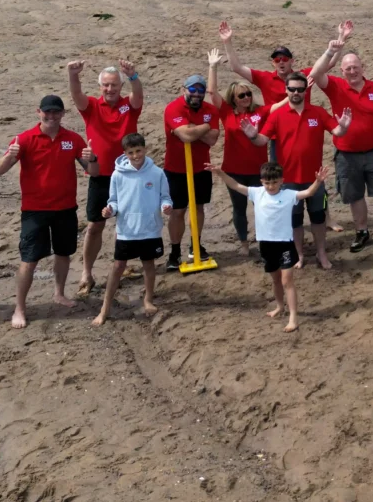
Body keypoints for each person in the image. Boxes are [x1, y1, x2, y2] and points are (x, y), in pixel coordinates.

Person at [0, 95, 91, 329]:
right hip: (34, 210)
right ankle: (20, 308)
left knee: (63, 253)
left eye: (56, 112)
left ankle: (59, 293)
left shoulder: (73, 139)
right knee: (29, 260)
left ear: (63, 113)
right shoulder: (24, 139)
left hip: (66, 207)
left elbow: (92, 171)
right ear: (38, 112)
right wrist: (10, 155)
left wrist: (91, 159)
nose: (52, 116)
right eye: (47, 112)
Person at [308, 23, 373, 253]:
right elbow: (315, 73)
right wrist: (333, 49)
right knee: (354, 195)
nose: (352, 71)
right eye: (348, 68)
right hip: (346, 154)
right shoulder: (335, 87)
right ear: (341, 71)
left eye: (356, 67)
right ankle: (362, 232)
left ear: (363, 67)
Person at [242, 72, 352, 270]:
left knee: (318, 218)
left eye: (300, 89)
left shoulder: (318, 112)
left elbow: (337, 131)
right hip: (288, 181)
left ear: (305, 91)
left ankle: (321, 253)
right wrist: (252, 136)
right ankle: (299, 254)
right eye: (292, 89)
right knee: (295, 221)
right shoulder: (277, 115)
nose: (296, 92)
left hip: (316, 179)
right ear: (286, 90)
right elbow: (262, 140)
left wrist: (343, 127)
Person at [212, 161, 326, 332]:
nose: (271, 186)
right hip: (266, 244)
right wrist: (220, 173)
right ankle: (280, 306)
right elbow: (235, 185)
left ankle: (293, 317)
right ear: (261, 182)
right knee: (275, 279)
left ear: (282, 181)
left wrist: (317, 181)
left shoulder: (289, 195)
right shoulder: (257, 193)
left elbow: (308, 192)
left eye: (274, 182)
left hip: (285, 244)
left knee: (287, 280)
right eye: (267, 183)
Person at [68, 58, 143, 296]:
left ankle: (124, 264)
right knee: (94, 226)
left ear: (120, 87)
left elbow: (138, 96)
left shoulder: (128, 105)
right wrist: (73, 75)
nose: (110, 89)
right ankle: (86, 272)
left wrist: (133, 76)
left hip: (128, 175)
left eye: (114, 85)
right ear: (100, 87)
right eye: (106, 85)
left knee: (129, 224)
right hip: (100, 175)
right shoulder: (91, 106)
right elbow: (76, 94)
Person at [95, 133, 172, 325]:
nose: (136, 155)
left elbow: (165, 197)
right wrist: (110, 210)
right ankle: (105, 308)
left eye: (139, 151)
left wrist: (165, 207)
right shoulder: (117, 174)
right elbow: (113, 201)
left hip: (150, 228)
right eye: (131, 152)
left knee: (148, 265)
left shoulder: (157, 173)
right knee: (118, 266)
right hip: (127, 230)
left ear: (145, 149)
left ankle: (148, 300)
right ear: (125, 153)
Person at [162, 51, 223, 269]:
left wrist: (193, 128)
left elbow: (213, 139)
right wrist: (202, 129)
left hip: (201, 168)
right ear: (183, 90)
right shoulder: (173, 108)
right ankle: (174, 252)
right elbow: (187, 136)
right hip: (176, 169)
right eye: (192, 90)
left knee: (198, 208)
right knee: (178, 211)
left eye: (200, 91)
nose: (196, 95)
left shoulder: (210, 110)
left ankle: (195, 246)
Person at [219, 79, 271, 257]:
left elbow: (280, 105)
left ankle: (265, 241)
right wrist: (213, 67)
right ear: (233, 99)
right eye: (242, 95)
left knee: (262, 207)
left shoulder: (259, 111)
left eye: (249, 93)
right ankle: (244, 243)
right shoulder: (226, 113)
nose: (247, 97)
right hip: (234, 170)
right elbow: (212, 92)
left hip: (258, 170)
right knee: (239, 208)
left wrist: (297, 88)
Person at [218, 20, 295, 106]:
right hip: (274, 118)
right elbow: (237, 67)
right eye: (277, 60)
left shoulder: (304, 77)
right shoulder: (265, 78)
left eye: (284, 59)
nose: (281, 62)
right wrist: (227, 42)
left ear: (292, 61)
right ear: (273, 63)